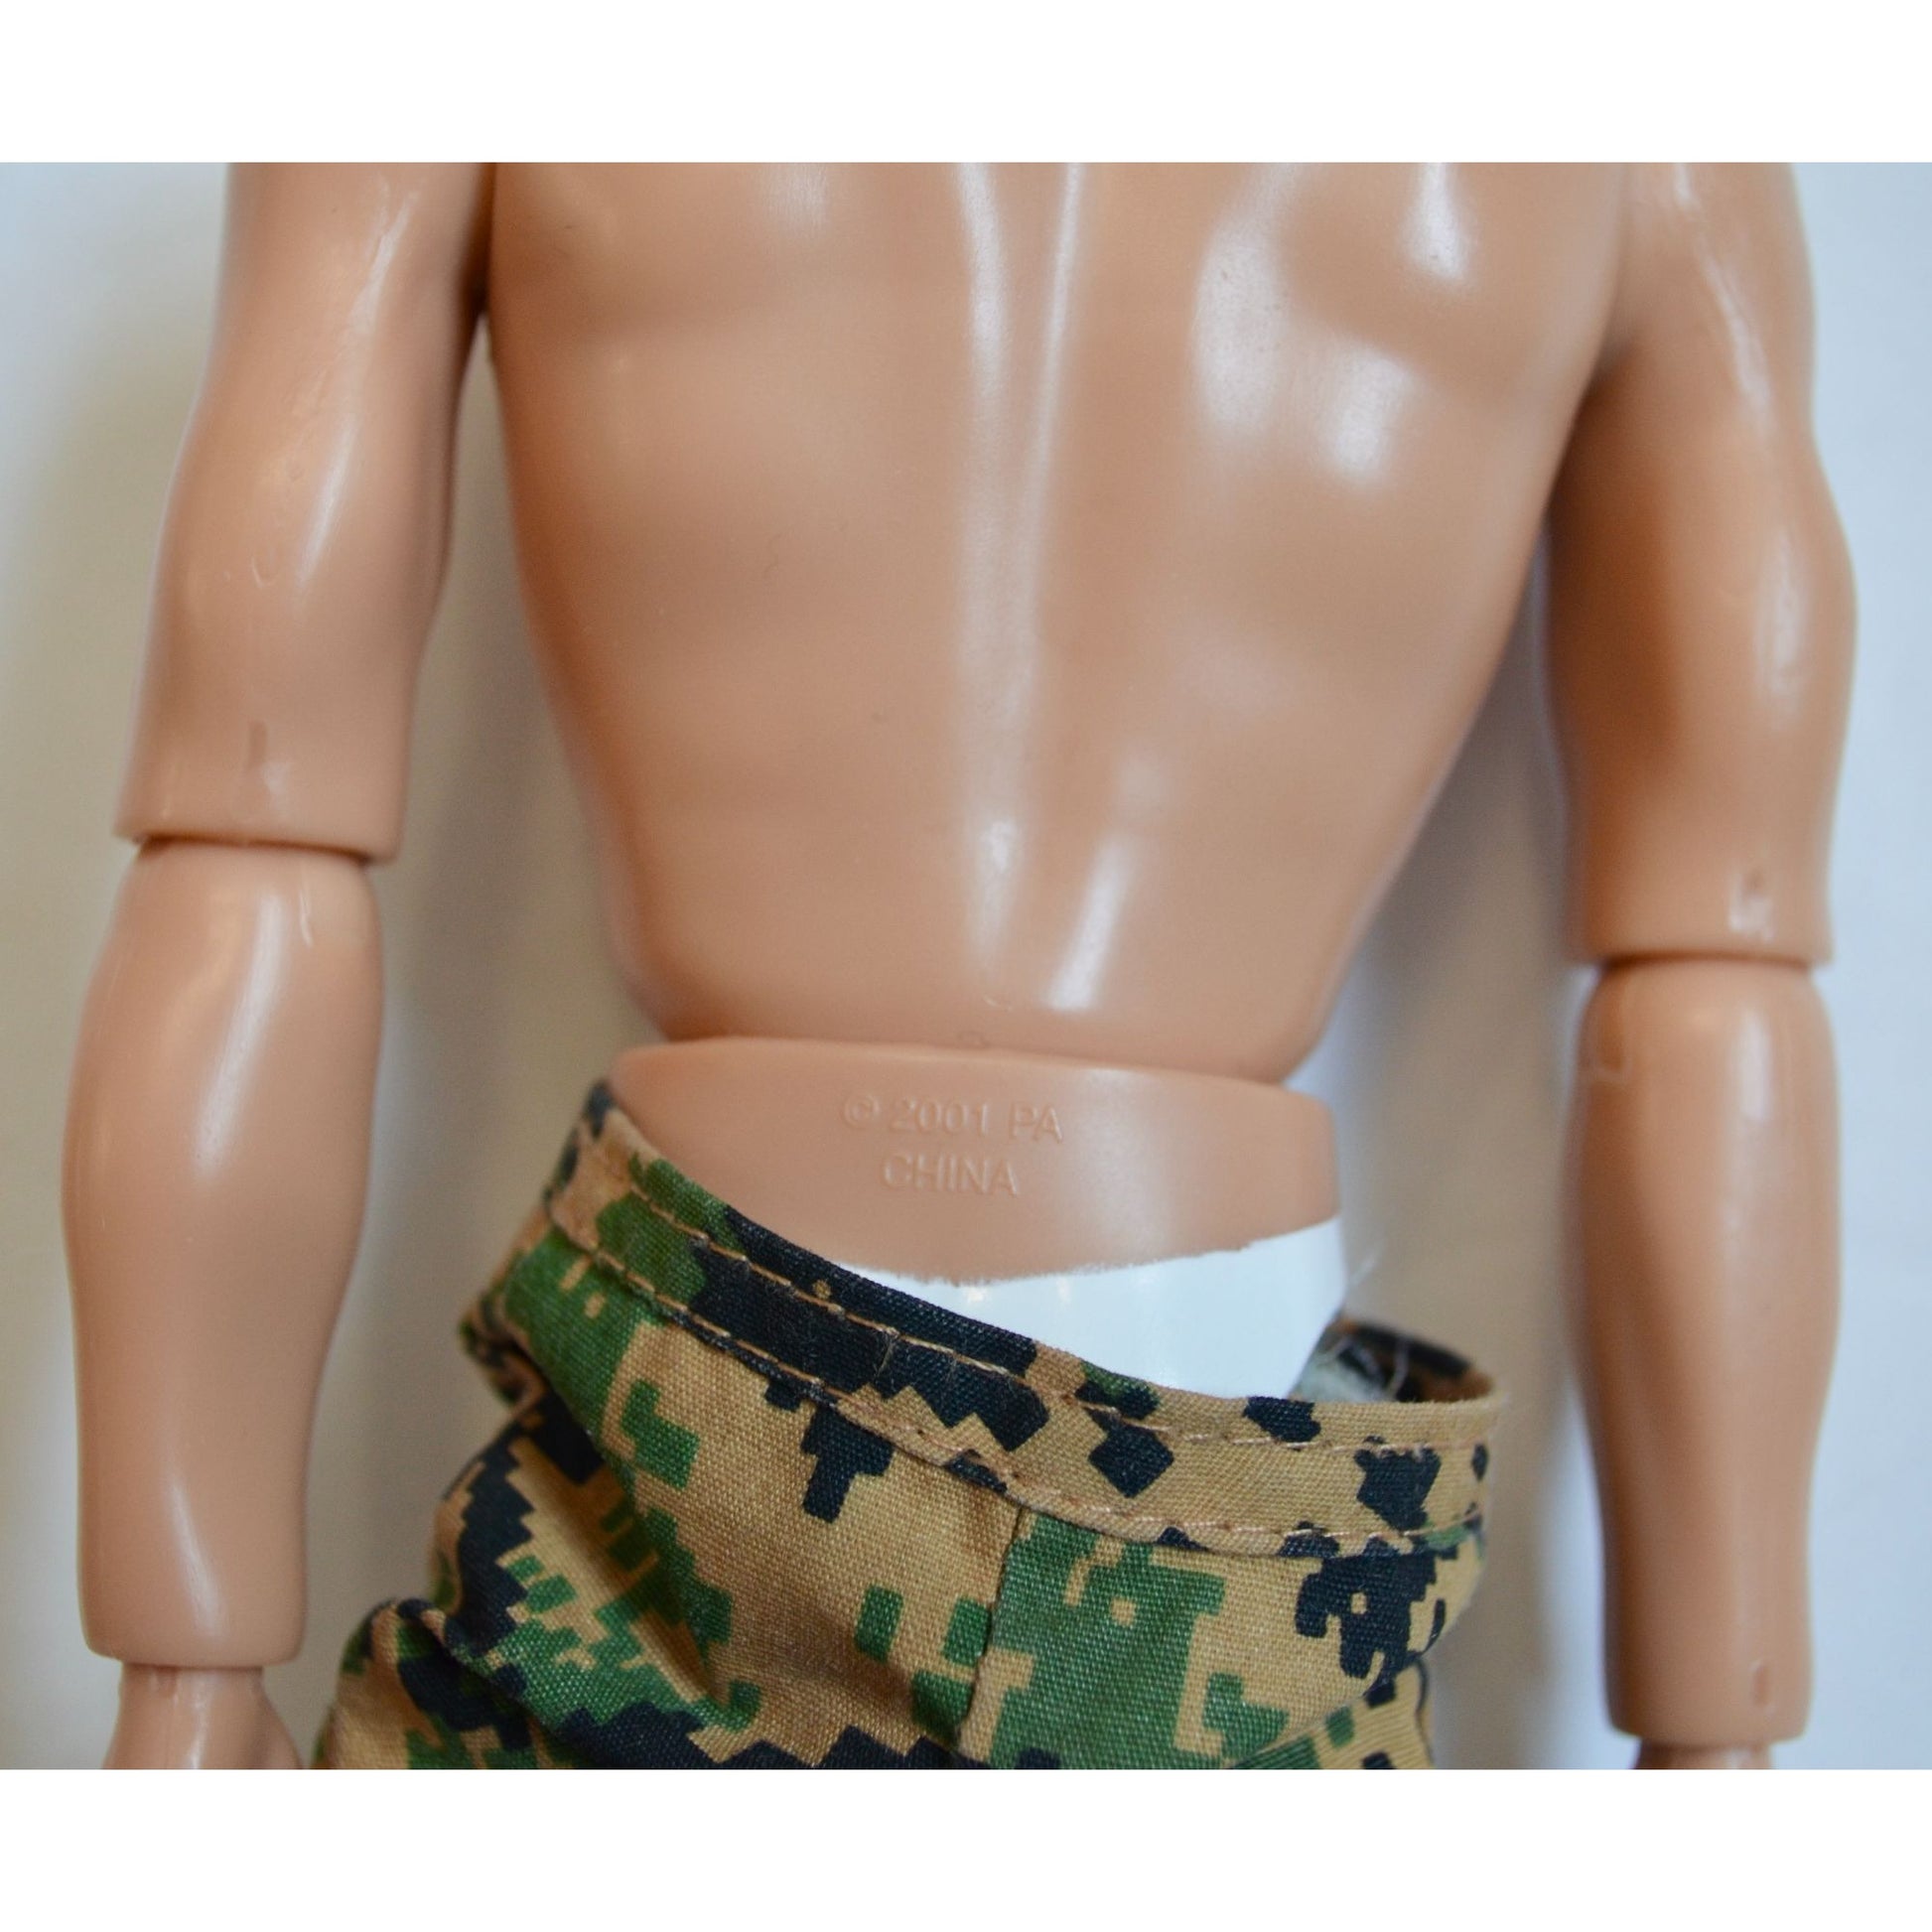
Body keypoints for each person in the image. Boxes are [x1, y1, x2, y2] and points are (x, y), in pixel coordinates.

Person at [65, 165, 1851, 1768]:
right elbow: (1714, 986)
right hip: (1174, 1508)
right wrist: (1718, 1743)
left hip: (706, 1466)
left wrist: (188, 1678)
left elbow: (250, 836)